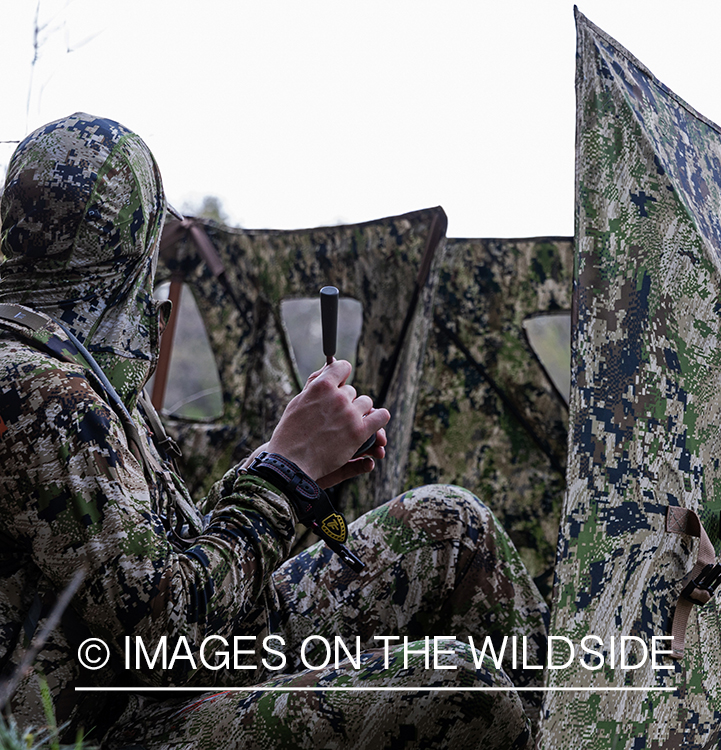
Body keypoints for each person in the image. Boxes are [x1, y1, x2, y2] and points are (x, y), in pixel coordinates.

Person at [0, 113, 548, 748]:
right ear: (137, 243)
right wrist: (282, 477)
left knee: (453, 526)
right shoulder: (45, 394)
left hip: (195, 662)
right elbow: (165, 641)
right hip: (121, 723)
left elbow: (144, 563)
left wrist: (289, 464)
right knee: (459, 684)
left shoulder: (70, 361)